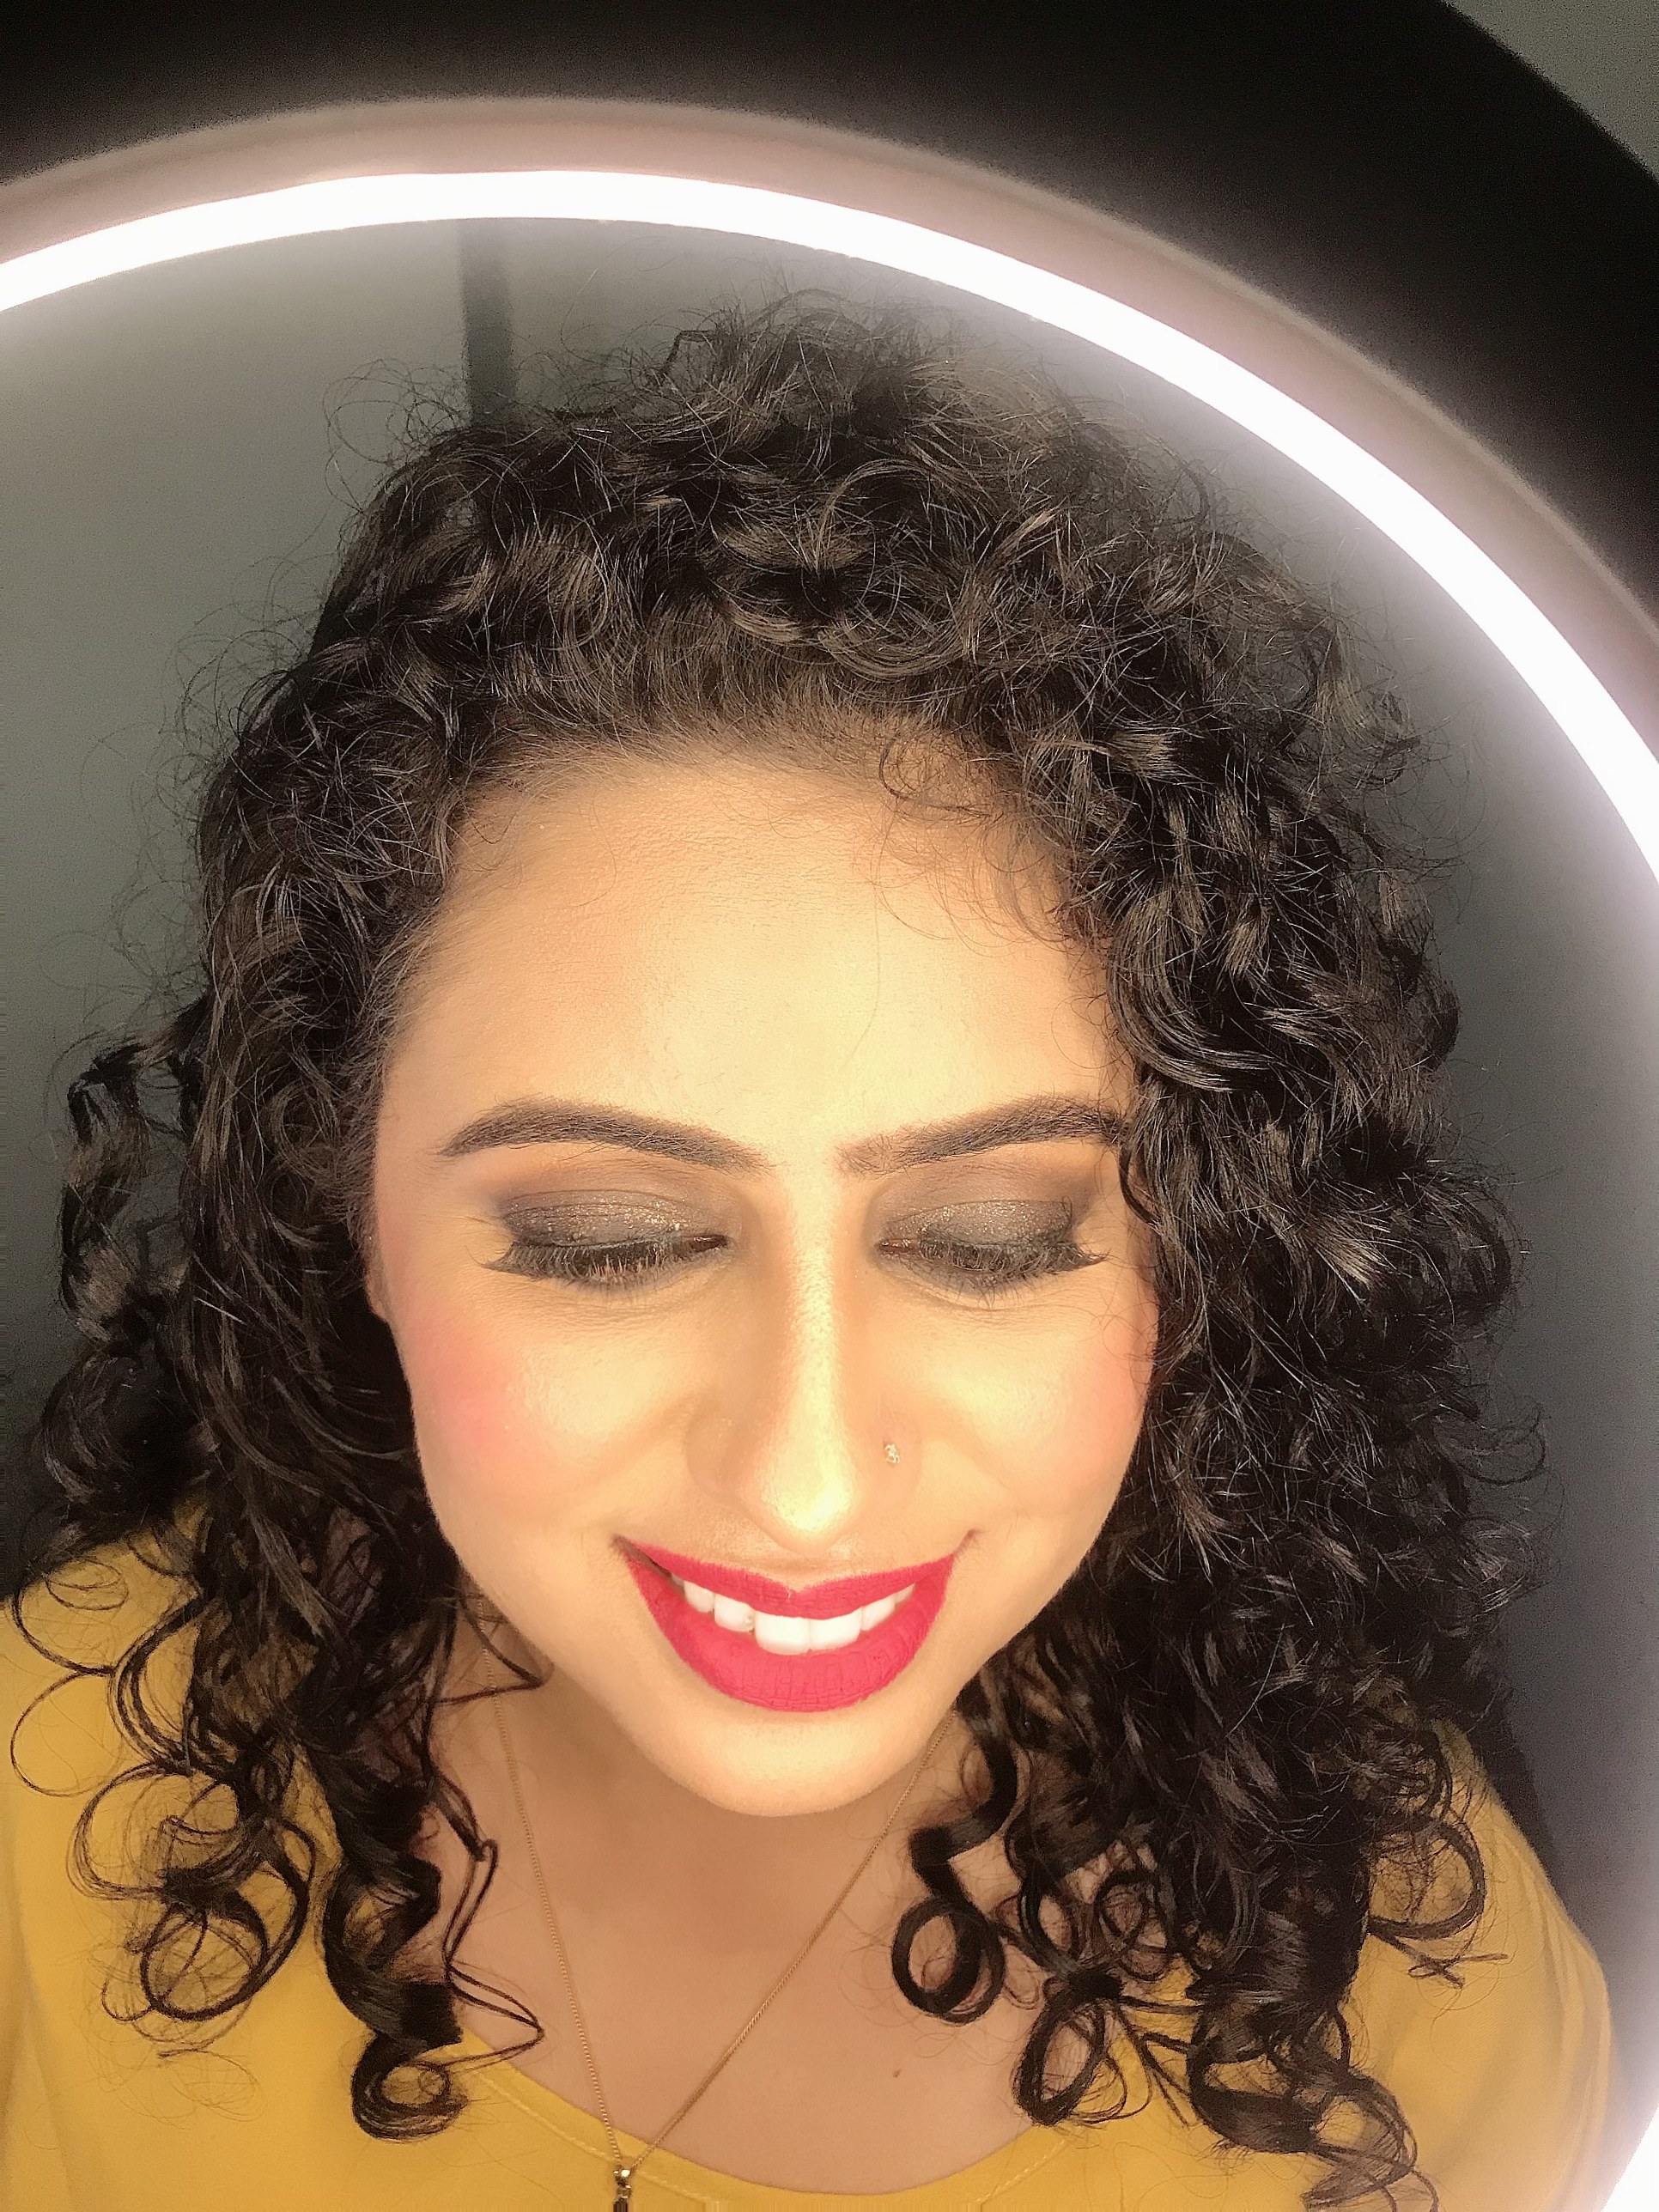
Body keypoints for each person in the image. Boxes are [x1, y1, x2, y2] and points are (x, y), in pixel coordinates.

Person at [1, 299, 1620, 2211]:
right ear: (346, 1202)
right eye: (609, 1245)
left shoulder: (1406, 1972)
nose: (808, 1478)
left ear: (1185, 1247)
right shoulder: (41, 1803)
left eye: (992, 1241)